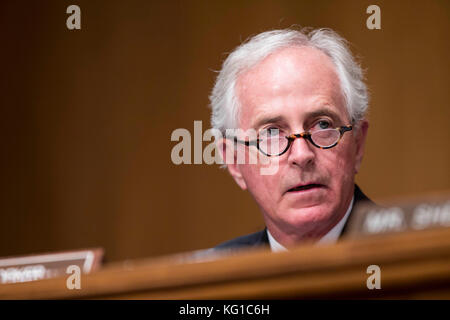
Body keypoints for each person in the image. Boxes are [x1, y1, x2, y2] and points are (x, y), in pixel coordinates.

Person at [209, 28, 372, 252]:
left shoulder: (418, 255)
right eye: (272, 132)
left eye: (322, 124)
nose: (302, 155)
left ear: (358, 143)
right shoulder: (211, 280)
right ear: (234, 161)